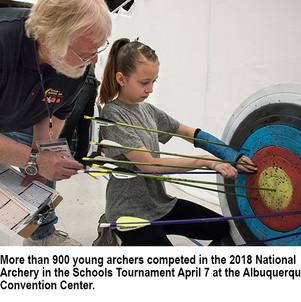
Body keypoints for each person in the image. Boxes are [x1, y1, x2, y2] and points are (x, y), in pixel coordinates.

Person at [97, 38, 257, 246]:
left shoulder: (148, 110)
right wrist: (205, 161)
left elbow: (191, 133)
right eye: (144, 82)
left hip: (159, 205)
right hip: (130, 214)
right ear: (121, 79)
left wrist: (232, 156)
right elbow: (149, 166)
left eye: (154, 81)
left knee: (221, 228)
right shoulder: (112, 114)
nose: (151, 89)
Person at [0, 0, 112, 246]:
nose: (93, 61)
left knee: (49, 157)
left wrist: (41, 164)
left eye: (97, 50)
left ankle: (40, 235)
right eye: (85, 53)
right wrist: (34, 159)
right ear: (51, 38)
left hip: (17, 113)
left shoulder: (76, 65)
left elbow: (53, 113)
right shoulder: (3, 41)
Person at [59, 64, 100, 166]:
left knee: (69, 124)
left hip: (82, 85)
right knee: (84, 127)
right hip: (92, 86)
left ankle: (63, 159)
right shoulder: (92, 55)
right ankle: (81, 161)